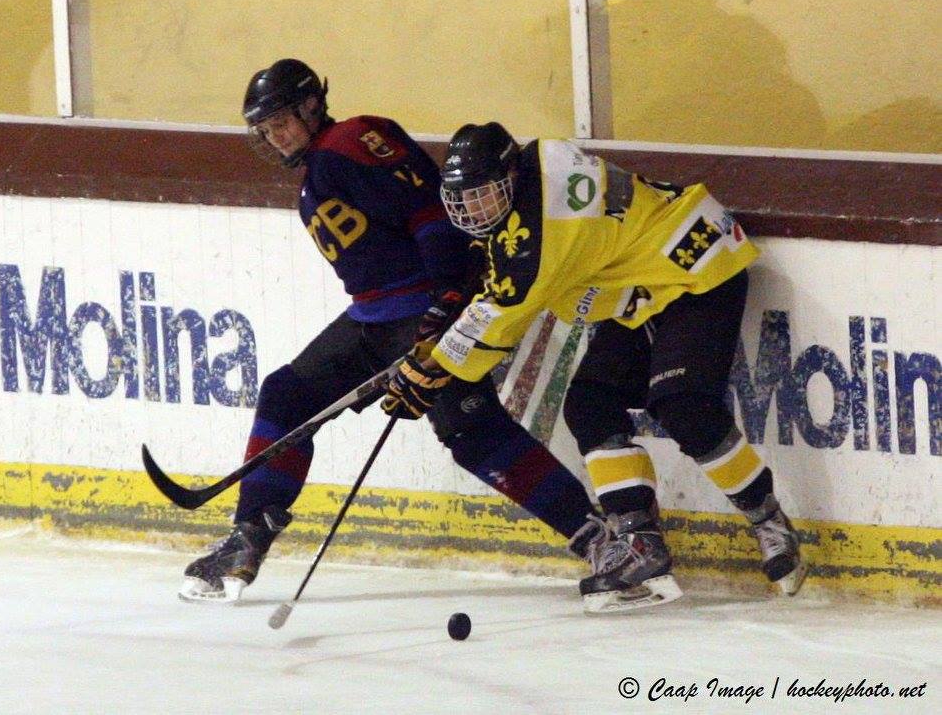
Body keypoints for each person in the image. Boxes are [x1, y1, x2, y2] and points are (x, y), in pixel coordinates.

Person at [181, 61, 601, 602]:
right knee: (287, 395)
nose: (274, 135)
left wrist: (449, 295)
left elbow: (428, 211)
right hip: (372, 320)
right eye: (265, 129)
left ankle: (599, 539)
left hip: (424, 307)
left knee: (470, 430)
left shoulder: (351, 139)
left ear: (312, 106)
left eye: (281, 120)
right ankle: (246, 540)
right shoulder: (320, 169)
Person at [384, 122, 807, 612]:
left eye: (483, 195)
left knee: (682, 406)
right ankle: (639, 546)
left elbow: (501, 317)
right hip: (639, 285)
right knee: (588, 403)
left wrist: (432, 370)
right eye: (465, 199)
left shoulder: (542, 235)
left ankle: (768, 520)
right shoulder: (537, 164)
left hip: (695, 268)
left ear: (509, 178)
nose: (474, 210)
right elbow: (501, 278)